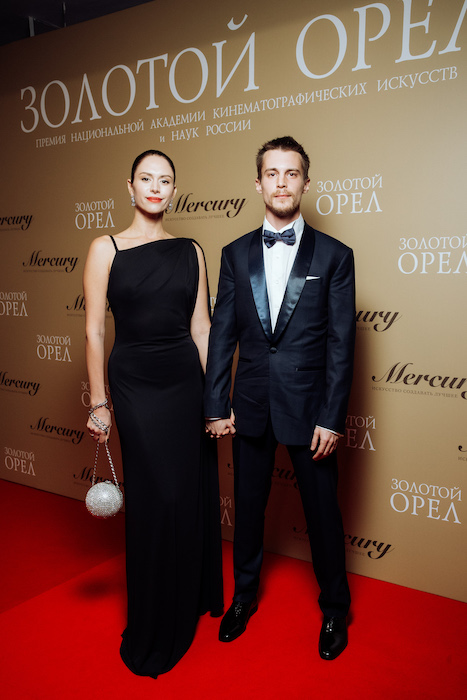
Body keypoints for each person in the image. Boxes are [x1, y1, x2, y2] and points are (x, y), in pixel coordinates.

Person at [204, 136, 355, 661]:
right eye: (272, 173)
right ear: (258, 183)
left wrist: (332, 418)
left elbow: (341, 343)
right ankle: (243, 597)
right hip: (249, 404)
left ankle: (335, 608)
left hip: (311, 410)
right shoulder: (234, 254)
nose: (282, 182)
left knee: (323, 515)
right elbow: (222, 335)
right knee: (247, 510)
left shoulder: (335, 256)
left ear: (305, 183)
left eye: (292, 173)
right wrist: (215, 404)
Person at [83, 149, 223, 678]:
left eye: (165, 180)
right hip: (135, 383)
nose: (156, 187)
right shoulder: (106, 248)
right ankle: (155, 614)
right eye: (146, 178)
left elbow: (202, 329)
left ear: (174, 190)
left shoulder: (191, 251)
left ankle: (186, 594)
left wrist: (216, 400)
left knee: (184, 491)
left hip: (185, 381)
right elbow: (95, 329)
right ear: (130, 186)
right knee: (157, 495)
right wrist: (99, 401)